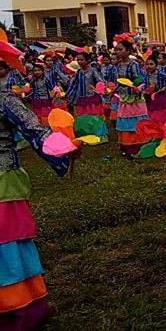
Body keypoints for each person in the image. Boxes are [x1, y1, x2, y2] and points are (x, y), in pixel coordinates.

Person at [0, 90, 72, 330]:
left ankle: (17, 307)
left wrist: (62, 151)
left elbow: (34, 130)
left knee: (6, 241)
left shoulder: (4, 99)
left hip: (3, 181)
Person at [112, 33, 150, 156]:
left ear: (128, 50)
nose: (118, 52)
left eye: (120, 49)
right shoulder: (117, 66)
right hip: (123, 99)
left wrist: (137, 88)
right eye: (116, 50)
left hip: (135, 99)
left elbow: (140, 80)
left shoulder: (134, 65)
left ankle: (138, 146)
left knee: (136, 122)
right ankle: (127, 147)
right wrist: (112, 91)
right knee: (125, 122)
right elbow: (119, 82)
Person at [65, 51, 105, 117]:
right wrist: (67, 94)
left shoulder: (93, 70)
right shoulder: (78, 72)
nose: (79, 62)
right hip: (81, 97)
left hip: (92, 97)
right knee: (83, 116)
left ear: (87, 60)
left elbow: (100, 81)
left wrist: (103, 89)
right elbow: (73, 85)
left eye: (81, 60)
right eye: (78, 60)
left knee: (93, 115)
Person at [142, 57, 166, 123]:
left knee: (161, 115)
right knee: (151, 115)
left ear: (156, 65)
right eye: (147, 64)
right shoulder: (146, 75)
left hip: (160, 96)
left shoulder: (160, 73)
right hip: (150, 98)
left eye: (151, 64)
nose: (149, 66)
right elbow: (145, 85)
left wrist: (165, 87)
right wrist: (144, 91)